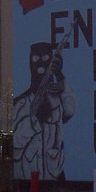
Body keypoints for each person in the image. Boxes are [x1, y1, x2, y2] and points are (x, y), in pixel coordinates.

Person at [13, 40, 76, 182]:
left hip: (54, 173)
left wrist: (60, 76)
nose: (41, 64)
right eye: (36, 59)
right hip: (29, 176)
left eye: (46, 59)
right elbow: (16, 145)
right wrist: (35, 120)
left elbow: (70, 110)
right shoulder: (20, 103)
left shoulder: (57, 97)